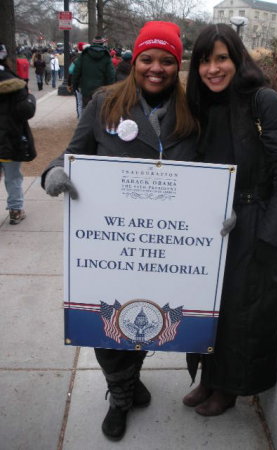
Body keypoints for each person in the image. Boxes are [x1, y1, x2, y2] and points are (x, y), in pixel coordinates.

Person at [41, 21, 198, 440]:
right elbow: (71, 156)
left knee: (148, 316)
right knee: (106, 320)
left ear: (177, 63)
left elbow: (209, 175)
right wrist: (54, 175)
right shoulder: (105, 102)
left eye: (167, 60)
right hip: (111, 244)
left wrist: (222, 210)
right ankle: (120, 394)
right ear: (134, 60)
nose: (156, 68)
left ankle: (130, 376)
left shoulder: (192, 110)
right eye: (148, 58)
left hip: (164, 245)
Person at [183, 23, 277, 416]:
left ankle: (231, 387)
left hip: (252, 221)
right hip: (210, 224)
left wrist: (269, 237)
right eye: (204, 61)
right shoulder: (201, 103)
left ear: (237, 59)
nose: (212, 69)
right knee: (210, 306)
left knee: (243, 312)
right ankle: (209, 377)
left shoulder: (263, 100)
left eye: (221, 58)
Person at [0, 43, 36, 224]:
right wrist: (30, 97)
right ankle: (15, 210)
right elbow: (26, 111)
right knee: (13, 177)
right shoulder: (14, 83)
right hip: (11, 138)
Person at [72, 36, 115, 108]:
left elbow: (76, 71)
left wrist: (75, 85)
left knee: (87, 110)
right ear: (102, 44)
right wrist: (110, 90)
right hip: (102, 91)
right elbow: (111, 75)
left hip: (86, 89)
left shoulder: (84, 55)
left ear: (93, 43)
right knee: (100, 112)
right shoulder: (106, 56)